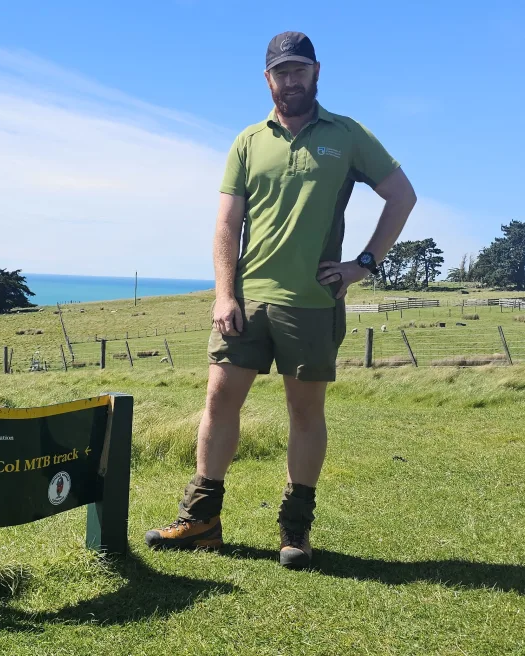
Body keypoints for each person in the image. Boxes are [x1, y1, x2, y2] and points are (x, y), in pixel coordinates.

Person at [145, 31, 417, 568]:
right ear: (267, 78)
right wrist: (225, 294)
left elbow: (402, 196)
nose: (291, 81)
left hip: (312, 301)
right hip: (246, 301)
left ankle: (295, 530)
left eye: (300, 70)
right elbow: (227, 225)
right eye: (281, 72)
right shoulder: (248, 141)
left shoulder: (348, 135)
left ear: (317, 72)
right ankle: (201, 521)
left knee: (304, 412)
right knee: (219, 402)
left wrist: (364, 264)